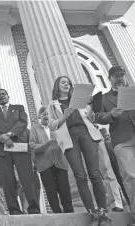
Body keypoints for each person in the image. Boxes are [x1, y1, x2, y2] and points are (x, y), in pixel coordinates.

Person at [47, 76, 111, 226]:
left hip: (86, 133)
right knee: (80, 176)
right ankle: (92, 212)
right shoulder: (52, 104)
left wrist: (92, 103)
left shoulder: (80, 100)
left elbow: (93, 118)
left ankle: (103, 211)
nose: (67, 84)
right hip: (69, 138)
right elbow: (52, 125)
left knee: (95, 173)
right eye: (63, 82)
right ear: (57, 86)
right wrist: (65, 115)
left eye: (68, 82)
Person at [0, 88, 40, 215]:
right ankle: (14, 210)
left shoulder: (19, 108)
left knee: (27, 178)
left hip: (19, 147)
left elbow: (23, 123)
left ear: (8, 96)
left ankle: (33, 208)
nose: (1, 96)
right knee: (7, 180)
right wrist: (3, 138)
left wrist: (9, 135)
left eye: (3, 94)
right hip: (2, 150)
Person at [95, 65, 135, 213]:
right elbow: (98, 116)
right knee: (131, 177)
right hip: (122, 141)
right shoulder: (102, 97)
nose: (119, 78)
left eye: (121, 75)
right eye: (115, 76)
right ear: (109, 78)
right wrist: (111, 114)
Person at [29, 106, 73, 213]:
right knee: (51, 192)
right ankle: (57, 214)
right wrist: (46, 144)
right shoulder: (34, 129)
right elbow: (32, 145)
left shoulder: (55, 127)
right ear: (39, 116)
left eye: (47, 114)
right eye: (43, 114)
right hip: (45, 165)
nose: (46, 116)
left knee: (65, 190)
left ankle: (69, 213)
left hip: (60, 162)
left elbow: (62, 121)